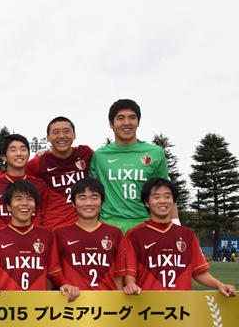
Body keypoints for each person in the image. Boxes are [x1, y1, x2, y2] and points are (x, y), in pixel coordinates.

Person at [122, 178, 235, 296]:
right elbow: (130, 271)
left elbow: (197, 271)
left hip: (181, 306)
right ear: (147, 202)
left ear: (174, 201)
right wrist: (130, 284)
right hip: (147, 305)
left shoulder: (187, 234)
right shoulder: (134, 235)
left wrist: (220, 285)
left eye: (167, 196)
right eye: (156, 197)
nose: (162, 201)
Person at [0, 181, 78, 301]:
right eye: (18, 199)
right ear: (8, 206)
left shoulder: (47, 236)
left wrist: (65, 283)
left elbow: (54, 272)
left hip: (37, 305)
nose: (24, 203)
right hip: (4, 304)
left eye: (30, 199)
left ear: (35, 205)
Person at [90, 99, 177, 233]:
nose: (127, 123)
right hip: (110, 224)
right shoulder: (100, 156)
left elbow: (166, 191)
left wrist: (176, 223)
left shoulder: (155, 153)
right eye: (120, 118)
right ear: (111, 124)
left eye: (132, 118)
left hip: (146, 223)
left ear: (138, 122)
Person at [47, 177, 124, 291]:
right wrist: (65, 284)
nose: (88, 203)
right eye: (82, 198)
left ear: (102, 202)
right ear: (73, 203)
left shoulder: (115, 233)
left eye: (94, 197)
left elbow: (118, 274)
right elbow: (53, 270)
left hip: (107, 302)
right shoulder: (60, 233)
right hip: (73, 302)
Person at [25, 116, 92, 230]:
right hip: (53, 227)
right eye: (55, 132)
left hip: (85, 224)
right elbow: (15, 179)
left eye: (66, 131)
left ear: (74, 135)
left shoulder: (85, 153)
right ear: (48, 138)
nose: (61, 136)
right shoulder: (39, 162)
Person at [0, 134, 48, 229]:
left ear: (28, 154)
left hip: (33, 240)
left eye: (23, 149)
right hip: (1, 241)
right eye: (13, 150)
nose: (19, 153)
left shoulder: (40, 184)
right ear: (4, 157)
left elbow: (44, 215)